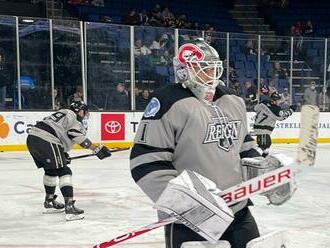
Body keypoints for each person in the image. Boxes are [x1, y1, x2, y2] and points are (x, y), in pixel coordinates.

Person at [130, 38, 262, 248]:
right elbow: (145, 163)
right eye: (203, 69)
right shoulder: (167, 101)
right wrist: (187, 205)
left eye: (213, 69)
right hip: (190, 219)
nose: (210, 75)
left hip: (238, 209)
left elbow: (245, 147)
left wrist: (264, 170)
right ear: (183, 71)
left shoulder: (233, 100)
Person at [26, 101, 112, 221]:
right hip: (47, 139)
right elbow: (74, 134)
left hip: (32, 138)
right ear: (81, 111)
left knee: (51, 170)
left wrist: (62, 153)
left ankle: (49, 201)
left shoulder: (63, 112)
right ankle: (69, 206)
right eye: (85, 111)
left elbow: (59, 132)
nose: (85, 114)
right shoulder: (75, 118)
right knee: (64, 170)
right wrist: (96, 148)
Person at [253, 91, 296, 157]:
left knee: (267, 145)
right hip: (263, 130)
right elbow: (282, 117)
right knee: (264, 146)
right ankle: (255, 158)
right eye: (279, 100)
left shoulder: (264, 102)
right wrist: (291, 110)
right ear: (274, 101)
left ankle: (262, 158)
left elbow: (255, 108)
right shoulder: (276, 110)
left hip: (260, 128)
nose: (280, 102)